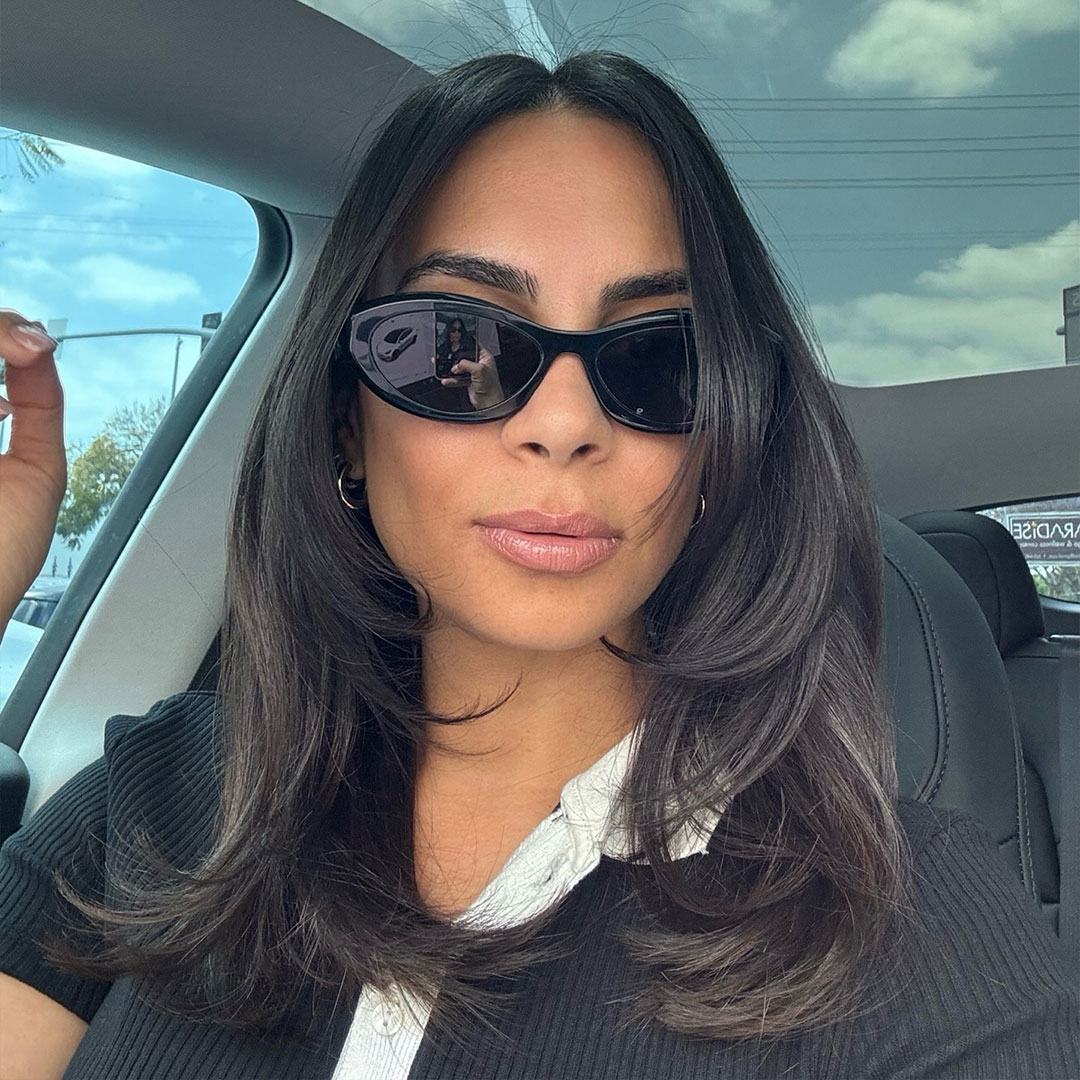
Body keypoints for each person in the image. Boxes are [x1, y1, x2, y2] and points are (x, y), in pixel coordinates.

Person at [0, 50, 1077, 1080]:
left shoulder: (912, 930)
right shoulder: (158, 798)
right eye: (456, 343)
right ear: (344, 422)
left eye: (658, 355)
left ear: (721, 439)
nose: (564, 424)